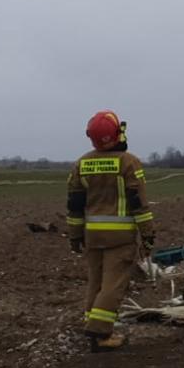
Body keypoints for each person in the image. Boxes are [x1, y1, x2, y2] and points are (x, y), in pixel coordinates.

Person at [67, 110, 154, 352]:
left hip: (92, 235)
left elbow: (74, 206)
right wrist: (147, 234)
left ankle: (92, 325)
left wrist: (75, 235)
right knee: (113, 286)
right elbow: (139, 203)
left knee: (95, 283)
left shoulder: (81, 164)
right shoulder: (129, 163)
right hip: (121, 237)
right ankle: (101, 333)